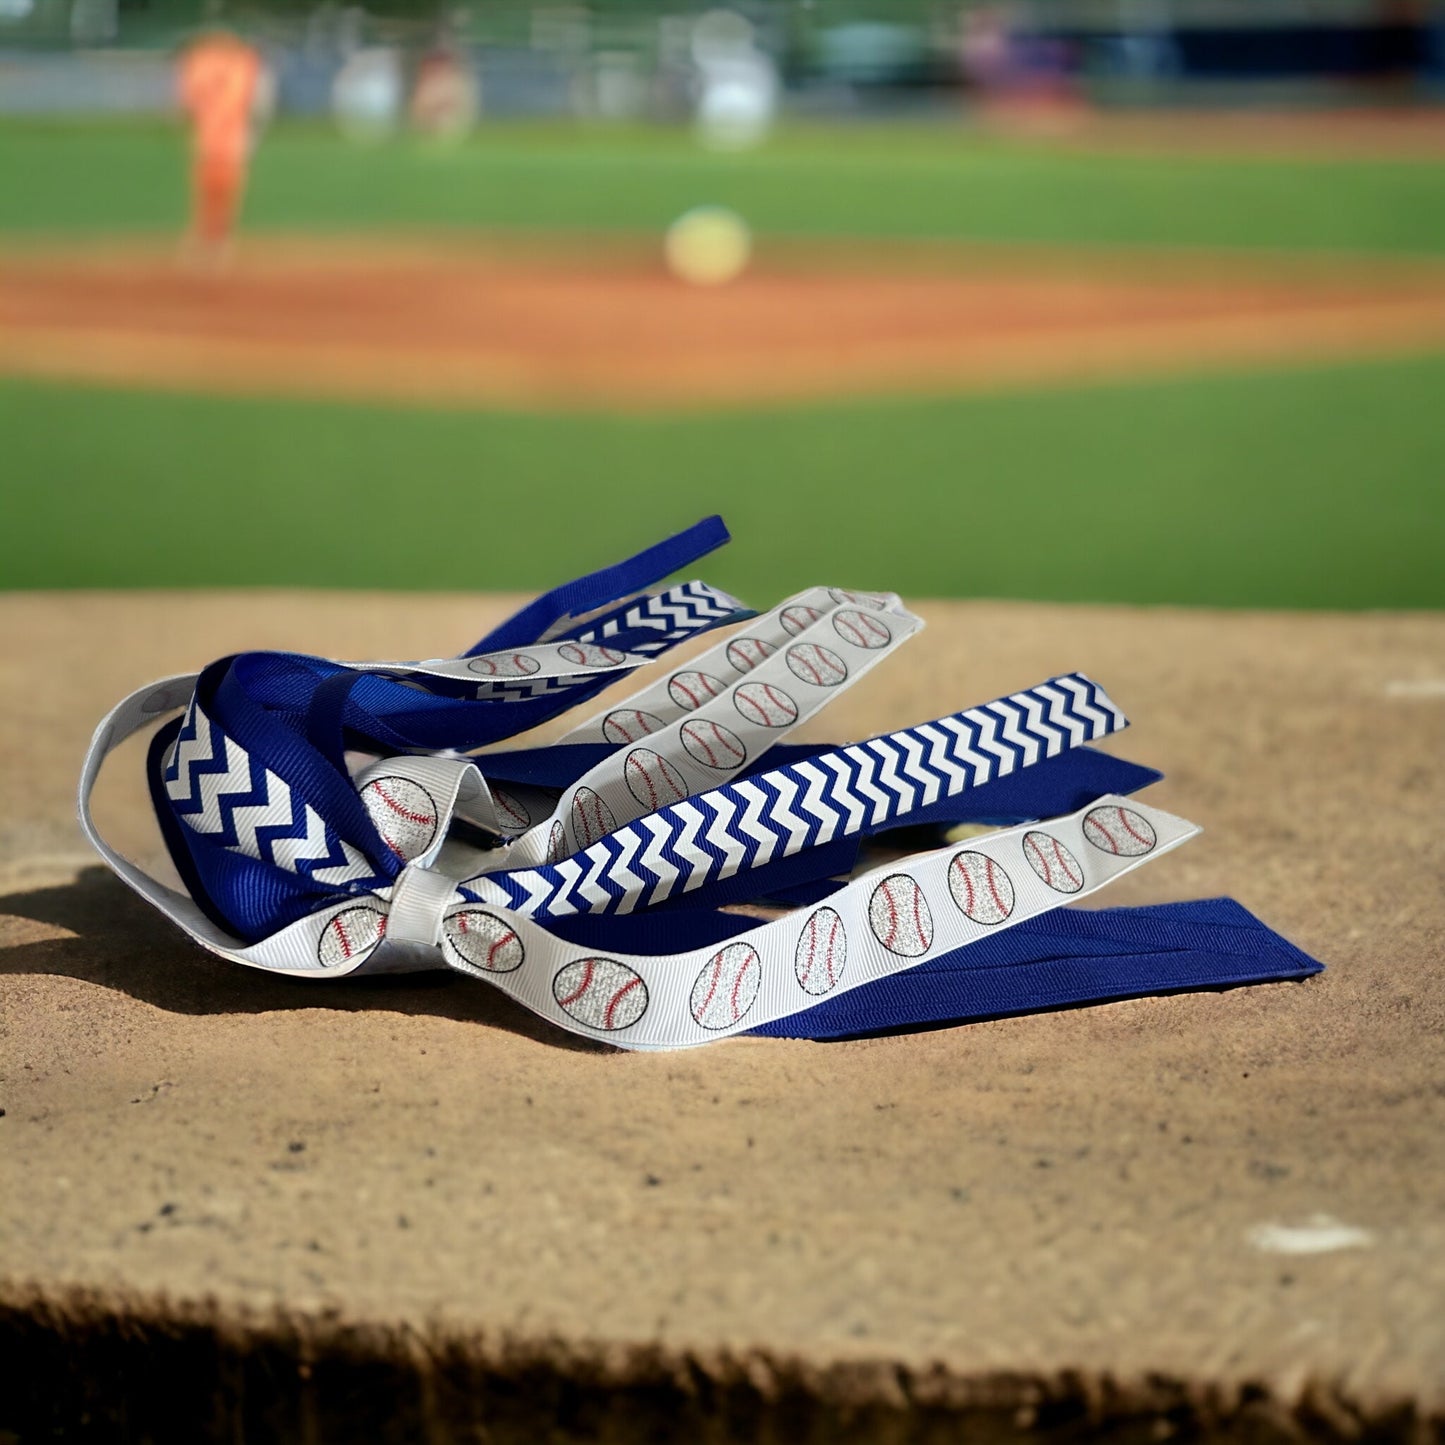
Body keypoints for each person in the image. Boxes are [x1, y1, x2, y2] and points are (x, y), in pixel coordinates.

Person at [177, 29, 270, 263]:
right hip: (223, 135)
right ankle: (211, 237)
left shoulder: (207, 63)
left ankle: (215, 238)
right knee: (215, 186)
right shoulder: (242, 64)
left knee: (218, 186)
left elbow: (187, 101)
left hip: (221, 135)